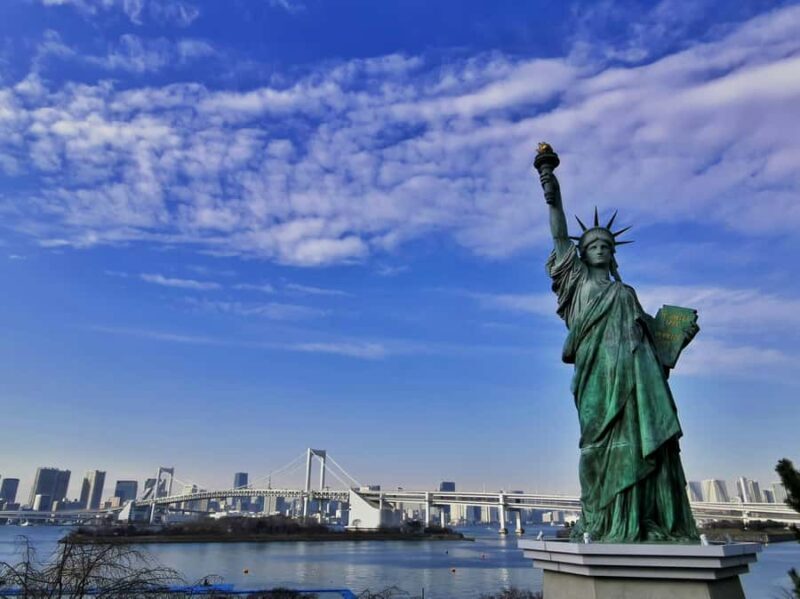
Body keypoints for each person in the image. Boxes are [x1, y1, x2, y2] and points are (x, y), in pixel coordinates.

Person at [538, 157, 698, 543]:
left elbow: (655, 341)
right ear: (582, 253)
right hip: (597, 376)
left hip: (636, 379)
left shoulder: (625, 293)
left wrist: (678, 336)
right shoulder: (575, 284)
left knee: (641, 445)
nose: (599, 248)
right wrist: (551, 189)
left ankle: (639, 521)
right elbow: (560, 237)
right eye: (591, 244)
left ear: (613, 253)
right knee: (595, 449)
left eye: (606, 245)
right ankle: (601, 518)